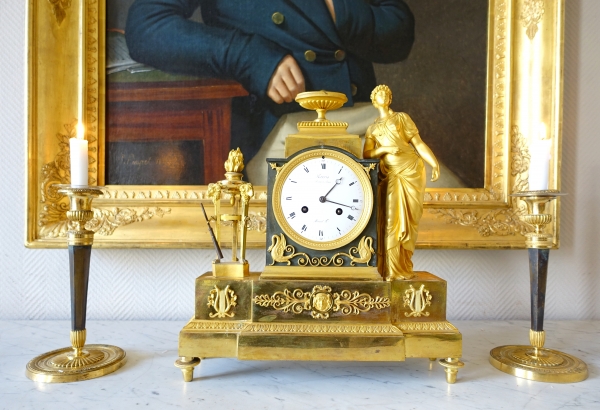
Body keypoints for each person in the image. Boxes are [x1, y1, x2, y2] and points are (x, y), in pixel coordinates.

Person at [125, 0, 415, 181]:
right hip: (282, 127)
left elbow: (399, 30)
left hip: (368, 122)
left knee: (432, 208)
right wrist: (249, 56)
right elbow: (147, 28)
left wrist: (334, 5)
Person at [363, 85, 440, 281]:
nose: (384, 95)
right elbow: (366, 154)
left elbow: (418, 143)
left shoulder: (401, 118)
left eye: (387, 93)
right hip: (392, 174)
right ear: (374, 100)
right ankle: (391, 269)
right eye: (380, 93)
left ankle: (404, 266)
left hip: (412, 169)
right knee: (392, 220)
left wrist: (434, 163)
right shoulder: (372, 128)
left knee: (411, 218)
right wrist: (384, 150)